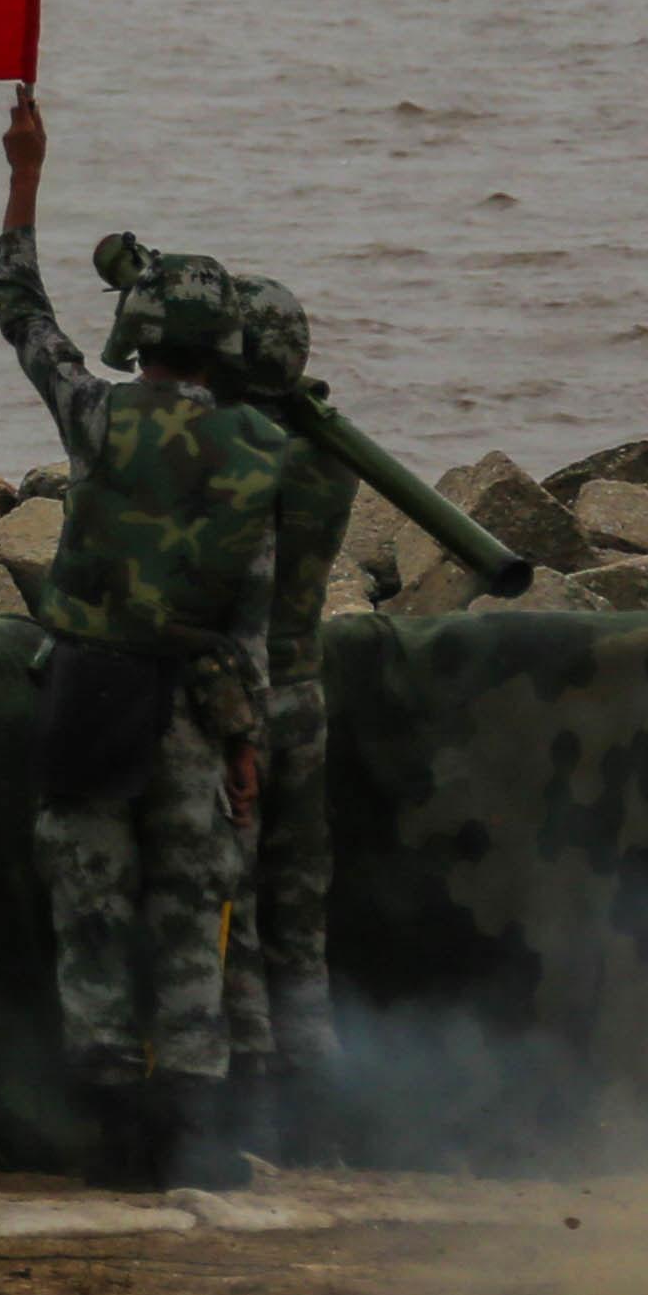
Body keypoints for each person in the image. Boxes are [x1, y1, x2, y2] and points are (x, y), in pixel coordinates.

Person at [0, 89, 291, 1192]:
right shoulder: (253, 447)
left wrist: (25, 175)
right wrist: (243, 741)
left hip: (84, 697)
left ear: (138, 334)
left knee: (90, 920)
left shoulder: (96, 413)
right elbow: (242, 614)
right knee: (188, 931)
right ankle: (191, 1149)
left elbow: (20, 311)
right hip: (191, 716)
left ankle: (110, 1140)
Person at [207, 267, 356, 1160]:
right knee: (301, 920)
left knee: (234, 914)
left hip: (242, 700)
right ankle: (321, 1117)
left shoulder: (242, 455)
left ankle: (251, 1113)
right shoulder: (327, 452)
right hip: (306, 691)